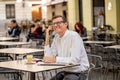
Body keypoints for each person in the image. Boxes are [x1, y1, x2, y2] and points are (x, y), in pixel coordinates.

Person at [43, 15, 89, 80]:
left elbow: (75, 60)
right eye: (54, 24)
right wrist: (47, 37)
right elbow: (49, 57)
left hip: (79, 72)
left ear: (66, 24)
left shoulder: (74, 36)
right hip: (66, 71)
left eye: (59, 23)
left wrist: (55, 59)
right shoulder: (56, 38)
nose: (56, 25)